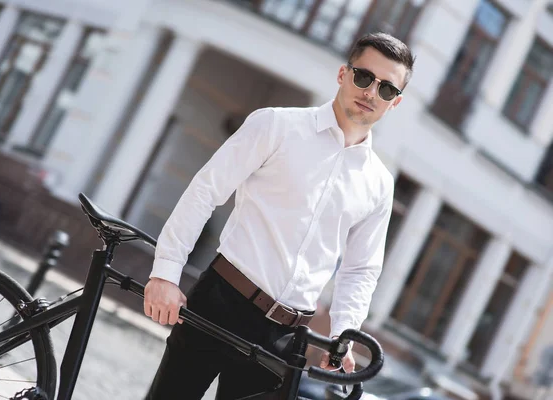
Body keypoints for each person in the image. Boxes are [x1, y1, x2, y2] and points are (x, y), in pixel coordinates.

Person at [143, 32, 415, 399]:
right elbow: (205, 190)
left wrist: (342, 335)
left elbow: (360, 269)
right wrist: (165, 273)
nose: (371, 93)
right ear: (343, 74)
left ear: (394, 103)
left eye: (386, 89)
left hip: (287, 340)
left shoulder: (379, 183)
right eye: (364, 77)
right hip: (220, 303)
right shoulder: (276, 125)